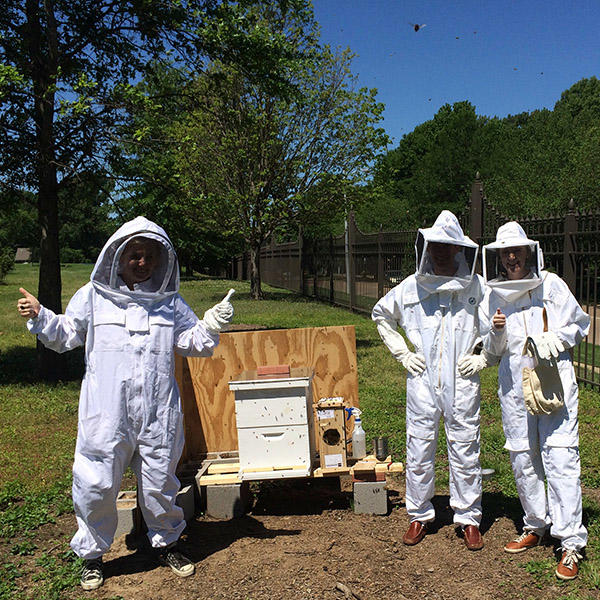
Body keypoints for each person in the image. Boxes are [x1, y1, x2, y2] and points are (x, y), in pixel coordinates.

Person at [17, 216, 234, 590]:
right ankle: (92, 555)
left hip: (157, 414)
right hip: (107, 414)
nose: (142, 262)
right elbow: (67, 334)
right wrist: (41, 317)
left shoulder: (169, 302)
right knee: (96, 484)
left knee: (159, 484)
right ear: (117, 257)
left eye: (149, 256)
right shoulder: (94, 296)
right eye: (135, 254)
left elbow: (192, 343)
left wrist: (212, 324)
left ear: (159, 260)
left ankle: (166, 543)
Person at [372, 210, 495, 550]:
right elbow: (382, 314)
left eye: (447, 246)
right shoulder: (413, 286)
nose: (440, 252)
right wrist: (404, 354)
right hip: (423, 379)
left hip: (462, 381)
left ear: (459, 249)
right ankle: (419, 514)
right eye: (436, 245)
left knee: (466, 448)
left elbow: (496, 325)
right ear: (428, 246)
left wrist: (482, 355)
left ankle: (469, 518)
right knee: (419, 446)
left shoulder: (476, 286)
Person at [480, 221, 589, 580]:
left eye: (517, 251)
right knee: (522, 456)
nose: (512, 257)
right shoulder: (493, 295)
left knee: (559, 455)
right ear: (498, 256)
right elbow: (494, 355)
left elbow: (579, 324)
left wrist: (550, 341)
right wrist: (495, 333)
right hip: (513, 388)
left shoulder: (552, 285)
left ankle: (570, 541)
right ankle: (536, 523)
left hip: (553, 382)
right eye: (505, 252)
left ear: (528, 253)